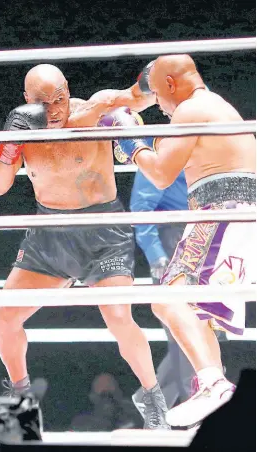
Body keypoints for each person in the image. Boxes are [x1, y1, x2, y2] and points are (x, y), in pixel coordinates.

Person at [0, 63, 172, 430]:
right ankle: (20, 405)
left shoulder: (92, 110)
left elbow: (134, 98)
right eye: (45, 103)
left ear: (68, 90)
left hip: (102, 232)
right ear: (27, 100)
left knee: (119, 318)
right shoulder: (23, 129)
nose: (56, 109)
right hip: (49, 232)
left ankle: (153, 399)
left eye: (60, 98)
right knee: (3, 316)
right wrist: (8, 145)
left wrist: (149, 79)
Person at [107, 54, 256, 427]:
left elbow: (159, 174)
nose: (160, 104)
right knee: (194, 308)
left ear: (171, 85)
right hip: (229, 212)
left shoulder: (192, 110)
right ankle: (213, 384)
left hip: (220, 211)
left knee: (167, 299)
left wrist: (131, 141)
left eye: (158, 95)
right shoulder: (215, 106)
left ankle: (214, 384)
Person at [130, 169, 196, 415]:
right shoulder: (164, 144)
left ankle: (154, 399)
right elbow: (141, 203)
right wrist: (156, 254)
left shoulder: (208, 141)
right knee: (187, 325)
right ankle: (194, 401)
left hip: (204, 233)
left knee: (200, 327)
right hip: (175, 237)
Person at [70, 373, 142, 431]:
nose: (108, 400)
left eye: (112, 395)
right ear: (92, 397)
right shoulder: (81, 422)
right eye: (103, 395)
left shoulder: (133, 418)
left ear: (119, 395)